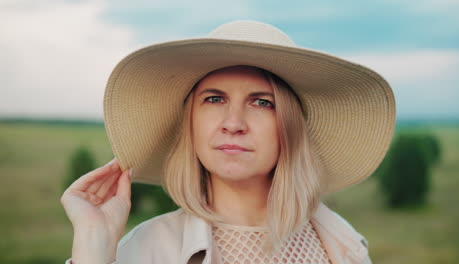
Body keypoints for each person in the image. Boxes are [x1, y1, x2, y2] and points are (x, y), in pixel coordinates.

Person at [61, 20, 396, 264]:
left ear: (290, 128)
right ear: (189, 121)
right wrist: (93, 245)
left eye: (262, 102)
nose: (233, 124)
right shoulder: (142, 251)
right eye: (214, 99)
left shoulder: (340, 244)